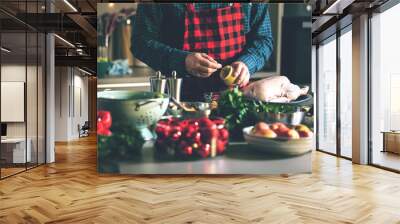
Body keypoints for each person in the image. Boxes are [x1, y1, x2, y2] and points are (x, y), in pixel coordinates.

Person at [132, 3, 273, 101]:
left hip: (236, 100)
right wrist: (183, 61)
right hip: (178, 101)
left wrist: (246, 64)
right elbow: (141, 43)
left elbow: (263, 39)